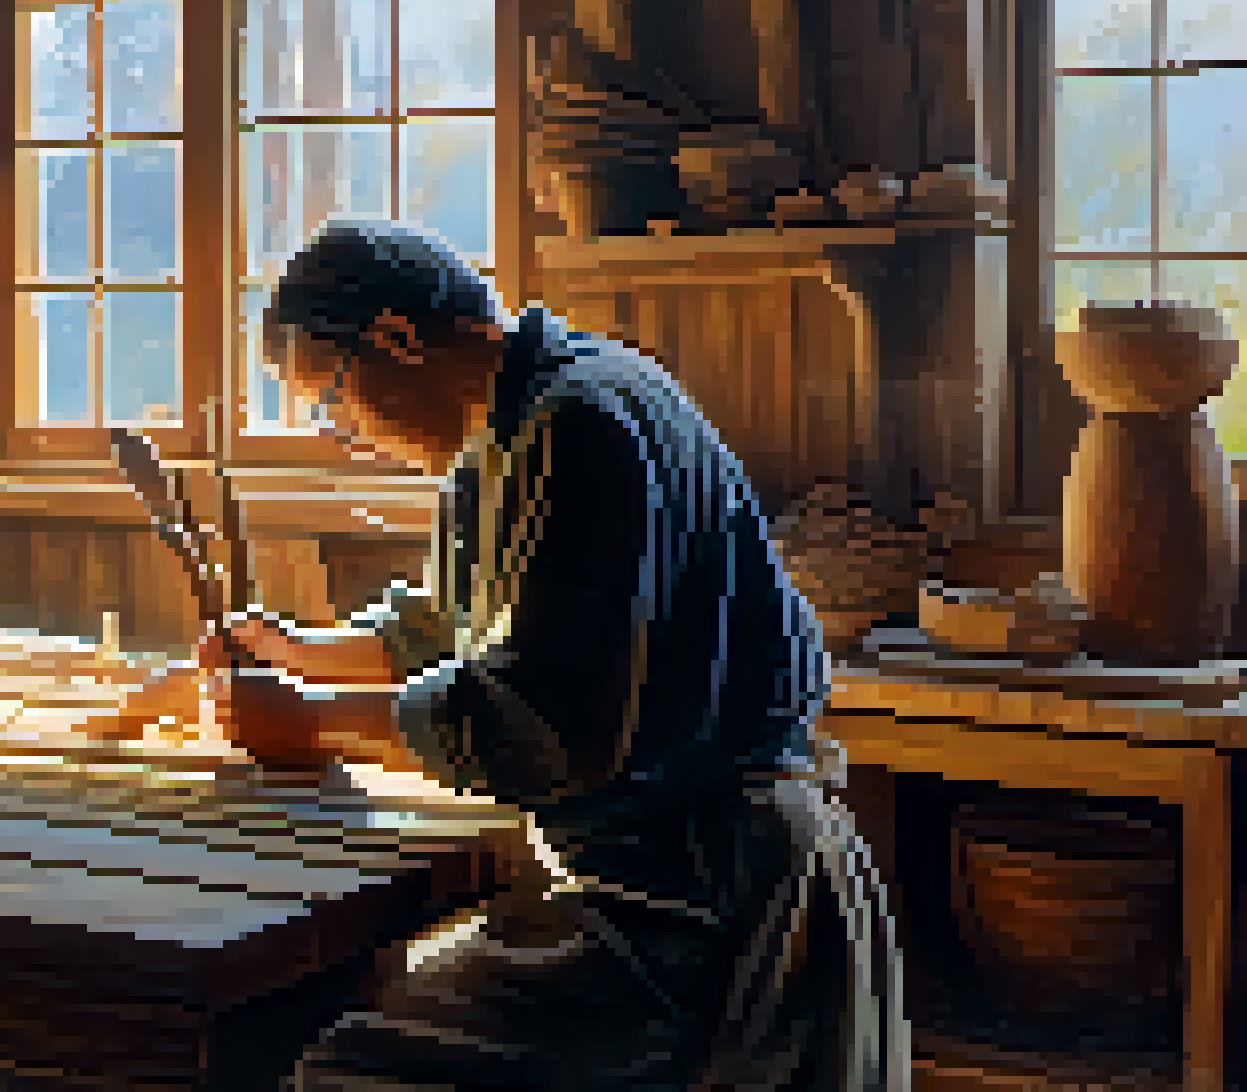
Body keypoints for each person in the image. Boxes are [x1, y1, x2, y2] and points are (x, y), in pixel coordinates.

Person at [97, 219, 911, 1091]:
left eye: (332, 400)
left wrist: (310, 722)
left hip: (703, 905)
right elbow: (448, 629)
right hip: (660, 880)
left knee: (350, 1075)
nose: (346, 437)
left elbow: (538, 719)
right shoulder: (509, 430)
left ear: (395, 339)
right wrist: (295, 650)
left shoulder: (582, 421)